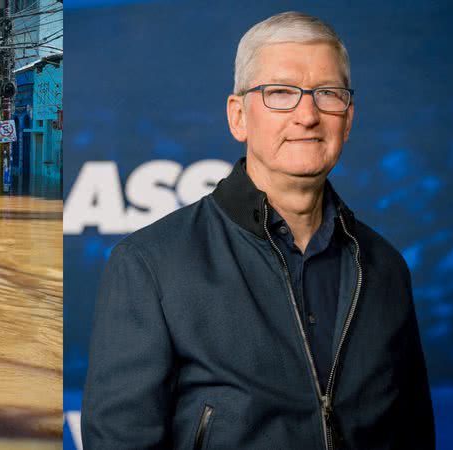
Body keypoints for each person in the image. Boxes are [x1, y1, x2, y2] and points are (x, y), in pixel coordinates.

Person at [81, 11, 434, 450]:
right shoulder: (150, 265)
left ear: (348, 116)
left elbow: (413, 431)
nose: (307, 115)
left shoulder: (385, 268)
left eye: (327, 93)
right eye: (281, 93)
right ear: (238, 116)